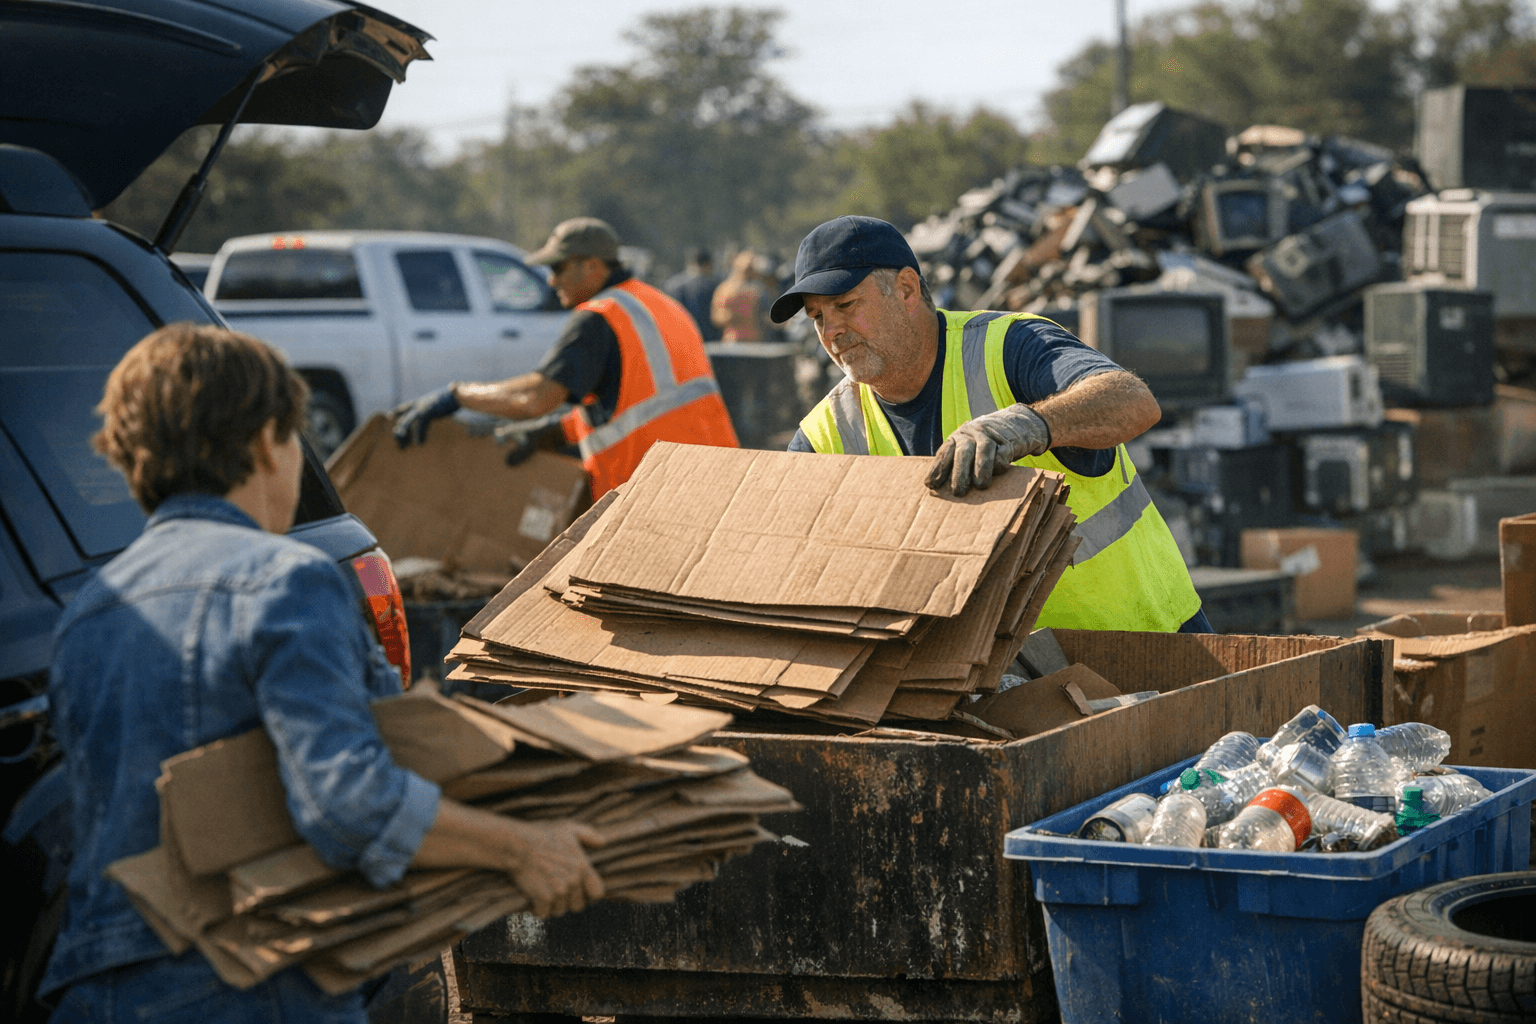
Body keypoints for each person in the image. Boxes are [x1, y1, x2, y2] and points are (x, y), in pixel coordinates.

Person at [42, 324, 604, 1023]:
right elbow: (346, 804)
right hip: (247, 983)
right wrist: (525, 849)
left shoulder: (87, 612)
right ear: (265, 442)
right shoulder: (285, 580)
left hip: (92, 987)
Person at [775, 216, 1211, 634]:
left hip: (1150, 639)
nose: (831, 331)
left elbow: (1133, 400)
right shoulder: (825, 433)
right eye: (817, 317)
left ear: (906, 289)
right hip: (1001, 675)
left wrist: (1030, 424)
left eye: (845, 305)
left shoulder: (1009, 347)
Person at [393, 217, 738, 498]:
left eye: (558, 267)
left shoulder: (600, 316)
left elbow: (535, 397)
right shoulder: (660, 304)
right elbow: (638, 404)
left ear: (592, 266)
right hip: (719, 480)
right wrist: (552, 432)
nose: (551, 280)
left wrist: (456, 396)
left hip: (654, 490)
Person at [664, 248, 722, 341]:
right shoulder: (715, 286)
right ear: (707, 264)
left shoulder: (673, 285)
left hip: (684, 339)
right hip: (709, 341)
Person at [710, 250, 766, 342]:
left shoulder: (758, 290)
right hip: (733, 340)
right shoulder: (724, 290)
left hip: (754, 340)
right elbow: (716, 317)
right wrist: (733, 316)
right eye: (749, 269)